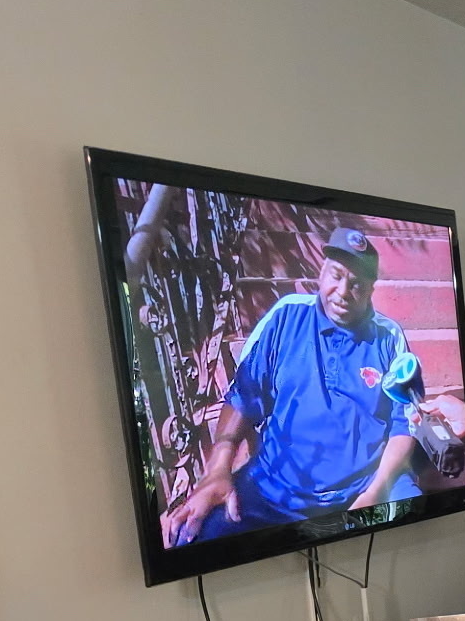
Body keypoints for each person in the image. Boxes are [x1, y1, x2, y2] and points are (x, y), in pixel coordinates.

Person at [162, 228, 431, 545]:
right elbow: (245, 397)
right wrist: (218, 469)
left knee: (417, 519)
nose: (343, 291)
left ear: (372, 289)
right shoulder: (287, 315)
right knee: (191, 537)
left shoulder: (389, 337)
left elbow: (406, 424)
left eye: (356, 283)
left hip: (363, 487)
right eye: (336, 275)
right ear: (322, 270)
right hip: (276, 490)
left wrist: (374, 494)